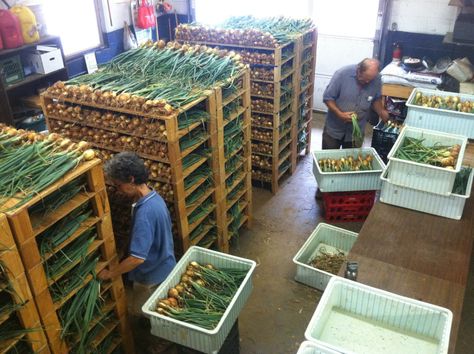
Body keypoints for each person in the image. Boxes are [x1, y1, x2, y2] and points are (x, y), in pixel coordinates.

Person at [98, 151, 176, 353]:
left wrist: (111, 273)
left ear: (131, 180)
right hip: (165, 263)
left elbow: (136, 259)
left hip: (151, 274)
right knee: (158, 306)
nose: (117, 189)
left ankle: (162, 341)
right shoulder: (153, 197)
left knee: (150, 309)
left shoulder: (145, 213)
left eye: (118, 185)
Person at [322, 58, 390, 149]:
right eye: (364, 79)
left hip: (356, 133)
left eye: (370, 80)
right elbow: (328, 98)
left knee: (352, 161)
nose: (367, 82)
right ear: (358, 70)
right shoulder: (342, 75)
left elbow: (375, 99)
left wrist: (382, 112)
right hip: (334, 130)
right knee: (329, 159)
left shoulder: (377, 79)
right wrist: (340, 114)